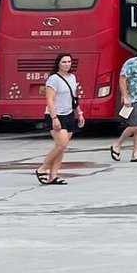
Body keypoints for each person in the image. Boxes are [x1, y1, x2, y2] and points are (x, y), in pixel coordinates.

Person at [37, 53, 83, 185]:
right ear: (58, 63)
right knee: (61, 144)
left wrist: (79, 113)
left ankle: (54, 175)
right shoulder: (53, 79)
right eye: (64, 62)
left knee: (61, 147)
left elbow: (74, 98)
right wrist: (54, 118)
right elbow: (50, 100)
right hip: (56, 115)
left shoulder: (72, 77)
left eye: (69, 62)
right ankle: (43, 168)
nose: (67, 64)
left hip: (69, 114)